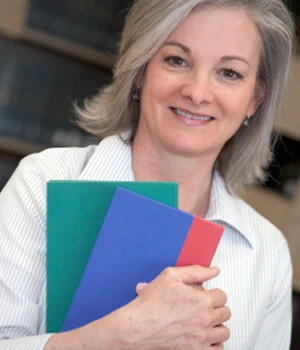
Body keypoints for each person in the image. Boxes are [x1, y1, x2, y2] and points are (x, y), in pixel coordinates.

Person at [0, 0, 295, 348]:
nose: (197, 92)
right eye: (177, 60)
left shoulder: (267, 252)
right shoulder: (43, 182)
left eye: (229, 73)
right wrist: (122, 336)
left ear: (254, 100)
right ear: (140, 69)